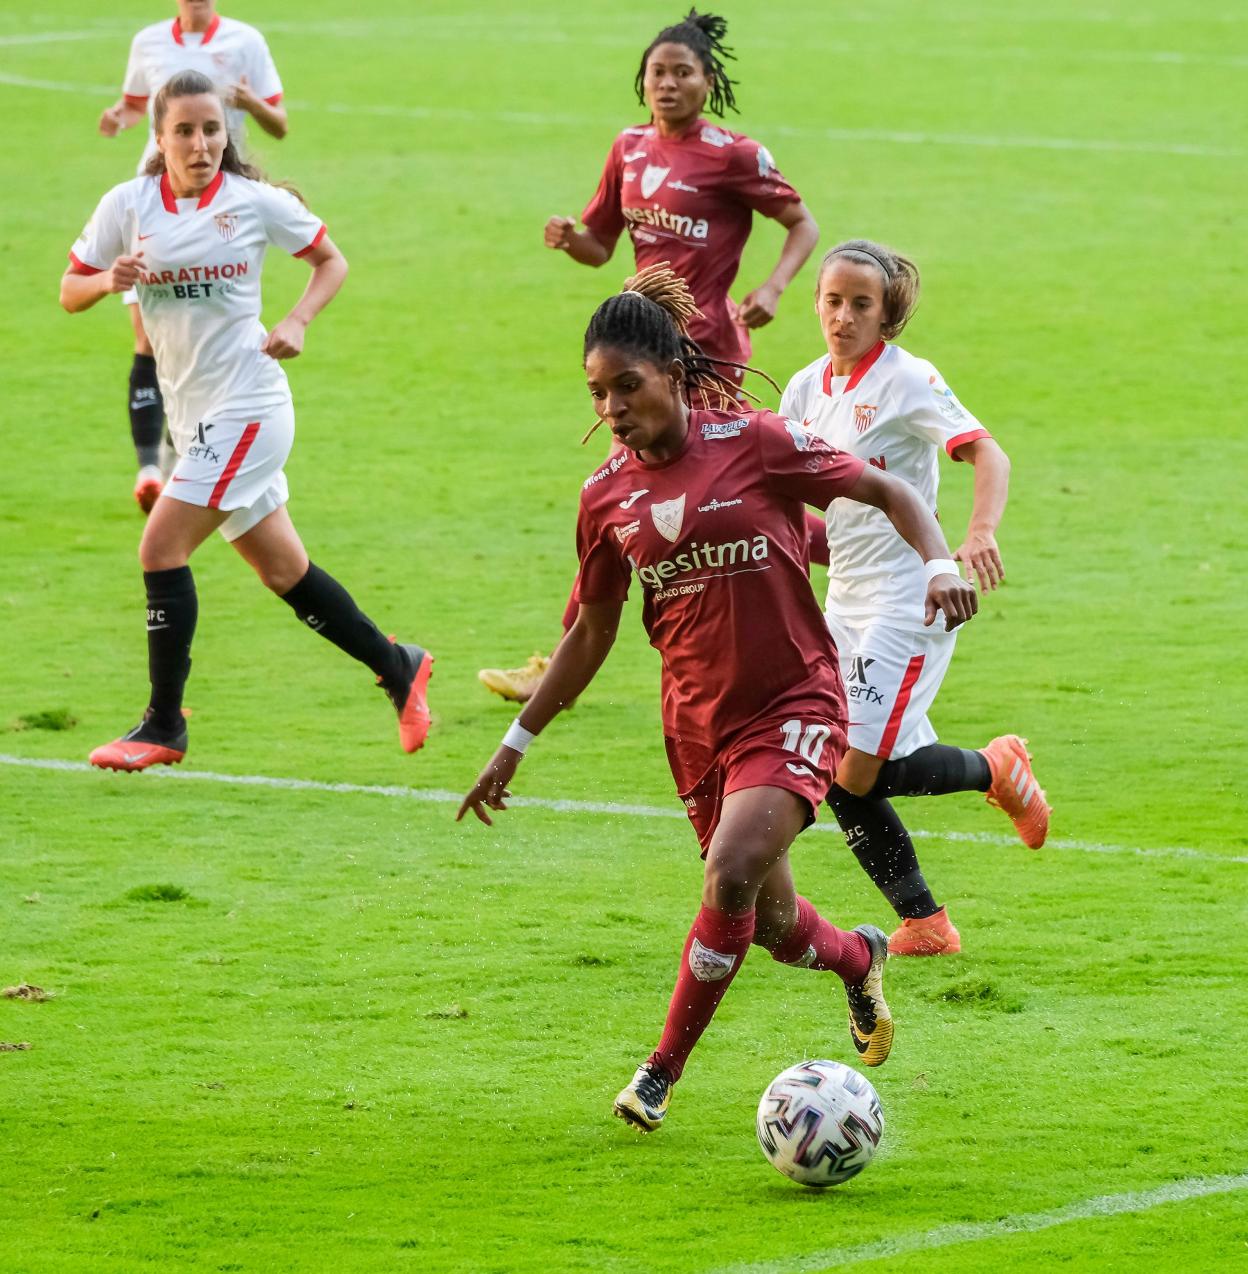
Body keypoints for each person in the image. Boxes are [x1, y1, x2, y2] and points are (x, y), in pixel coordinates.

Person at [459, 266, 979, 1132]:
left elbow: (884, 489)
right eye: (598, 392)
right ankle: (859, 957)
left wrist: (938, 563)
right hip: (697, 726)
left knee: (729, 870)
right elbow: (591, 634)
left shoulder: (757, 441)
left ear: (671, 372)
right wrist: (516, 742)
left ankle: (659, 1073)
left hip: (796, 703)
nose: (614, 407)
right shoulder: (605, 498)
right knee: (773, 926)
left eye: (629, 385)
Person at [62, 71, 432, 772]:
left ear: (225, 134)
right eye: (185, 131)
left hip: (251, 408)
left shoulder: (251, 204)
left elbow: (331, 259)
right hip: (196, 418)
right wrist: (108, 281)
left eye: (212, 130)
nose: (201, 144)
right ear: (160, 137)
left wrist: (297, 320)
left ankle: (163, 724)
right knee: (285, 571)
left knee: (159, 549)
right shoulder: (128, 207)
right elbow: (68, 290)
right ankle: (397, 665)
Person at [479, 7, 820, 703]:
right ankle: (559, 668)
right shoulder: (629, 149)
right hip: (642, 355)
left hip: (708, 360)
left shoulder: (732, 155)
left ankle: (859, 561)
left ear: (706, 80)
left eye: (682, 73)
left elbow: (801, 223)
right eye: (657, 73)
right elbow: (601, 244)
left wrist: (776, 286)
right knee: (626, 495)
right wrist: (568, 238)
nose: (668, 84)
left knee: (745, 494)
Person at [779, 239, 1052, 957]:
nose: (842, 318)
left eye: (860, 305)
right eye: (832, 302)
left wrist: (975, 537)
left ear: (886, 314)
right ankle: (926, 925)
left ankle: (997, 770)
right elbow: (796, 506)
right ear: (816, 303)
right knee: (838, 768)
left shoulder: (908, 381)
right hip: (841, 601)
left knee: (855, 771)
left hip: (912, 600)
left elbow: (988, 452)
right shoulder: (805, 390)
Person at [98, 0, 288, 514]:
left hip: (223, 206)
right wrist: (119, 116)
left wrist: (249, 103)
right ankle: (152, 468)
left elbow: (280, 123)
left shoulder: (245, 41)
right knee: (149, 339)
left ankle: (185, 459)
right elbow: (136, 104)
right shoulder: (149, 41)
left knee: (205, 339)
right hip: (156, 205)